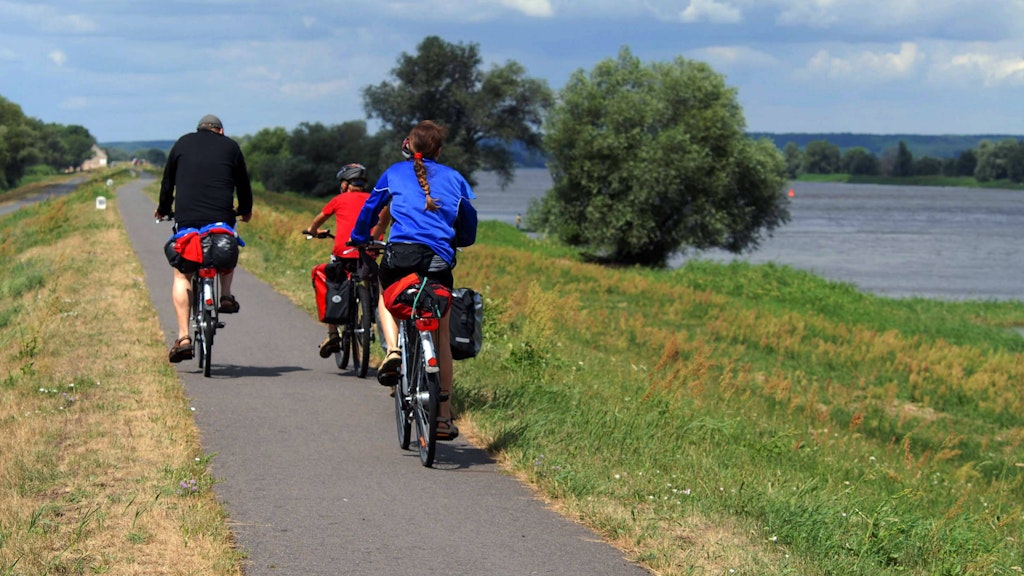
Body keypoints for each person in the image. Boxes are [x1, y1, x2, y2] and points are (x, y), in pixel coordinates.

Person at [350, 120, 477, 440]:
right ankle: (444, 418)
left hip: (400, 257)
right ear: (439, 150)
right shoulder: (456, 179)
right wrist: (455, 240)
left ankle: (393, 350)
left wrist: (359, 237)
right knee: (442, 333)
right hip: (438, 263)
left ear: (409, 146)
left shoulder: (394, 173)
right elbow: (469, 226)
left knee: (385, 295)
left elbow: (370, 209)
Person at [155, 114, 253, 363]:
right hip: (221, 217)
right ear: (220, 131)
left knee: (182, 274)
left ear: (198, 130)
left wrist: (164, 208)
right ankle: (226, 296)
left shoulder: (181, 143)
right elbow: (243, 182)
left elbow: (168, 182)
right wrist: (246, 209)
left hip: (187, 220)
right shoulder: (230, 146)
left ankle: (184, 337)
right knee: (229, 242)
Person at [304, 163, 376, 358]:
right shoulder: (372, 199)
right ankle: (371, 313)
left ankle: (332, 333)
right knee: (370, 277)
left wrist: (313, 231)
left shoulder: (339, 199)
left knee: (332, 282)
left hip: (343, 254)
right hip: (366, 252)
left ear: (345, 184)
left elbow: (320, 218)